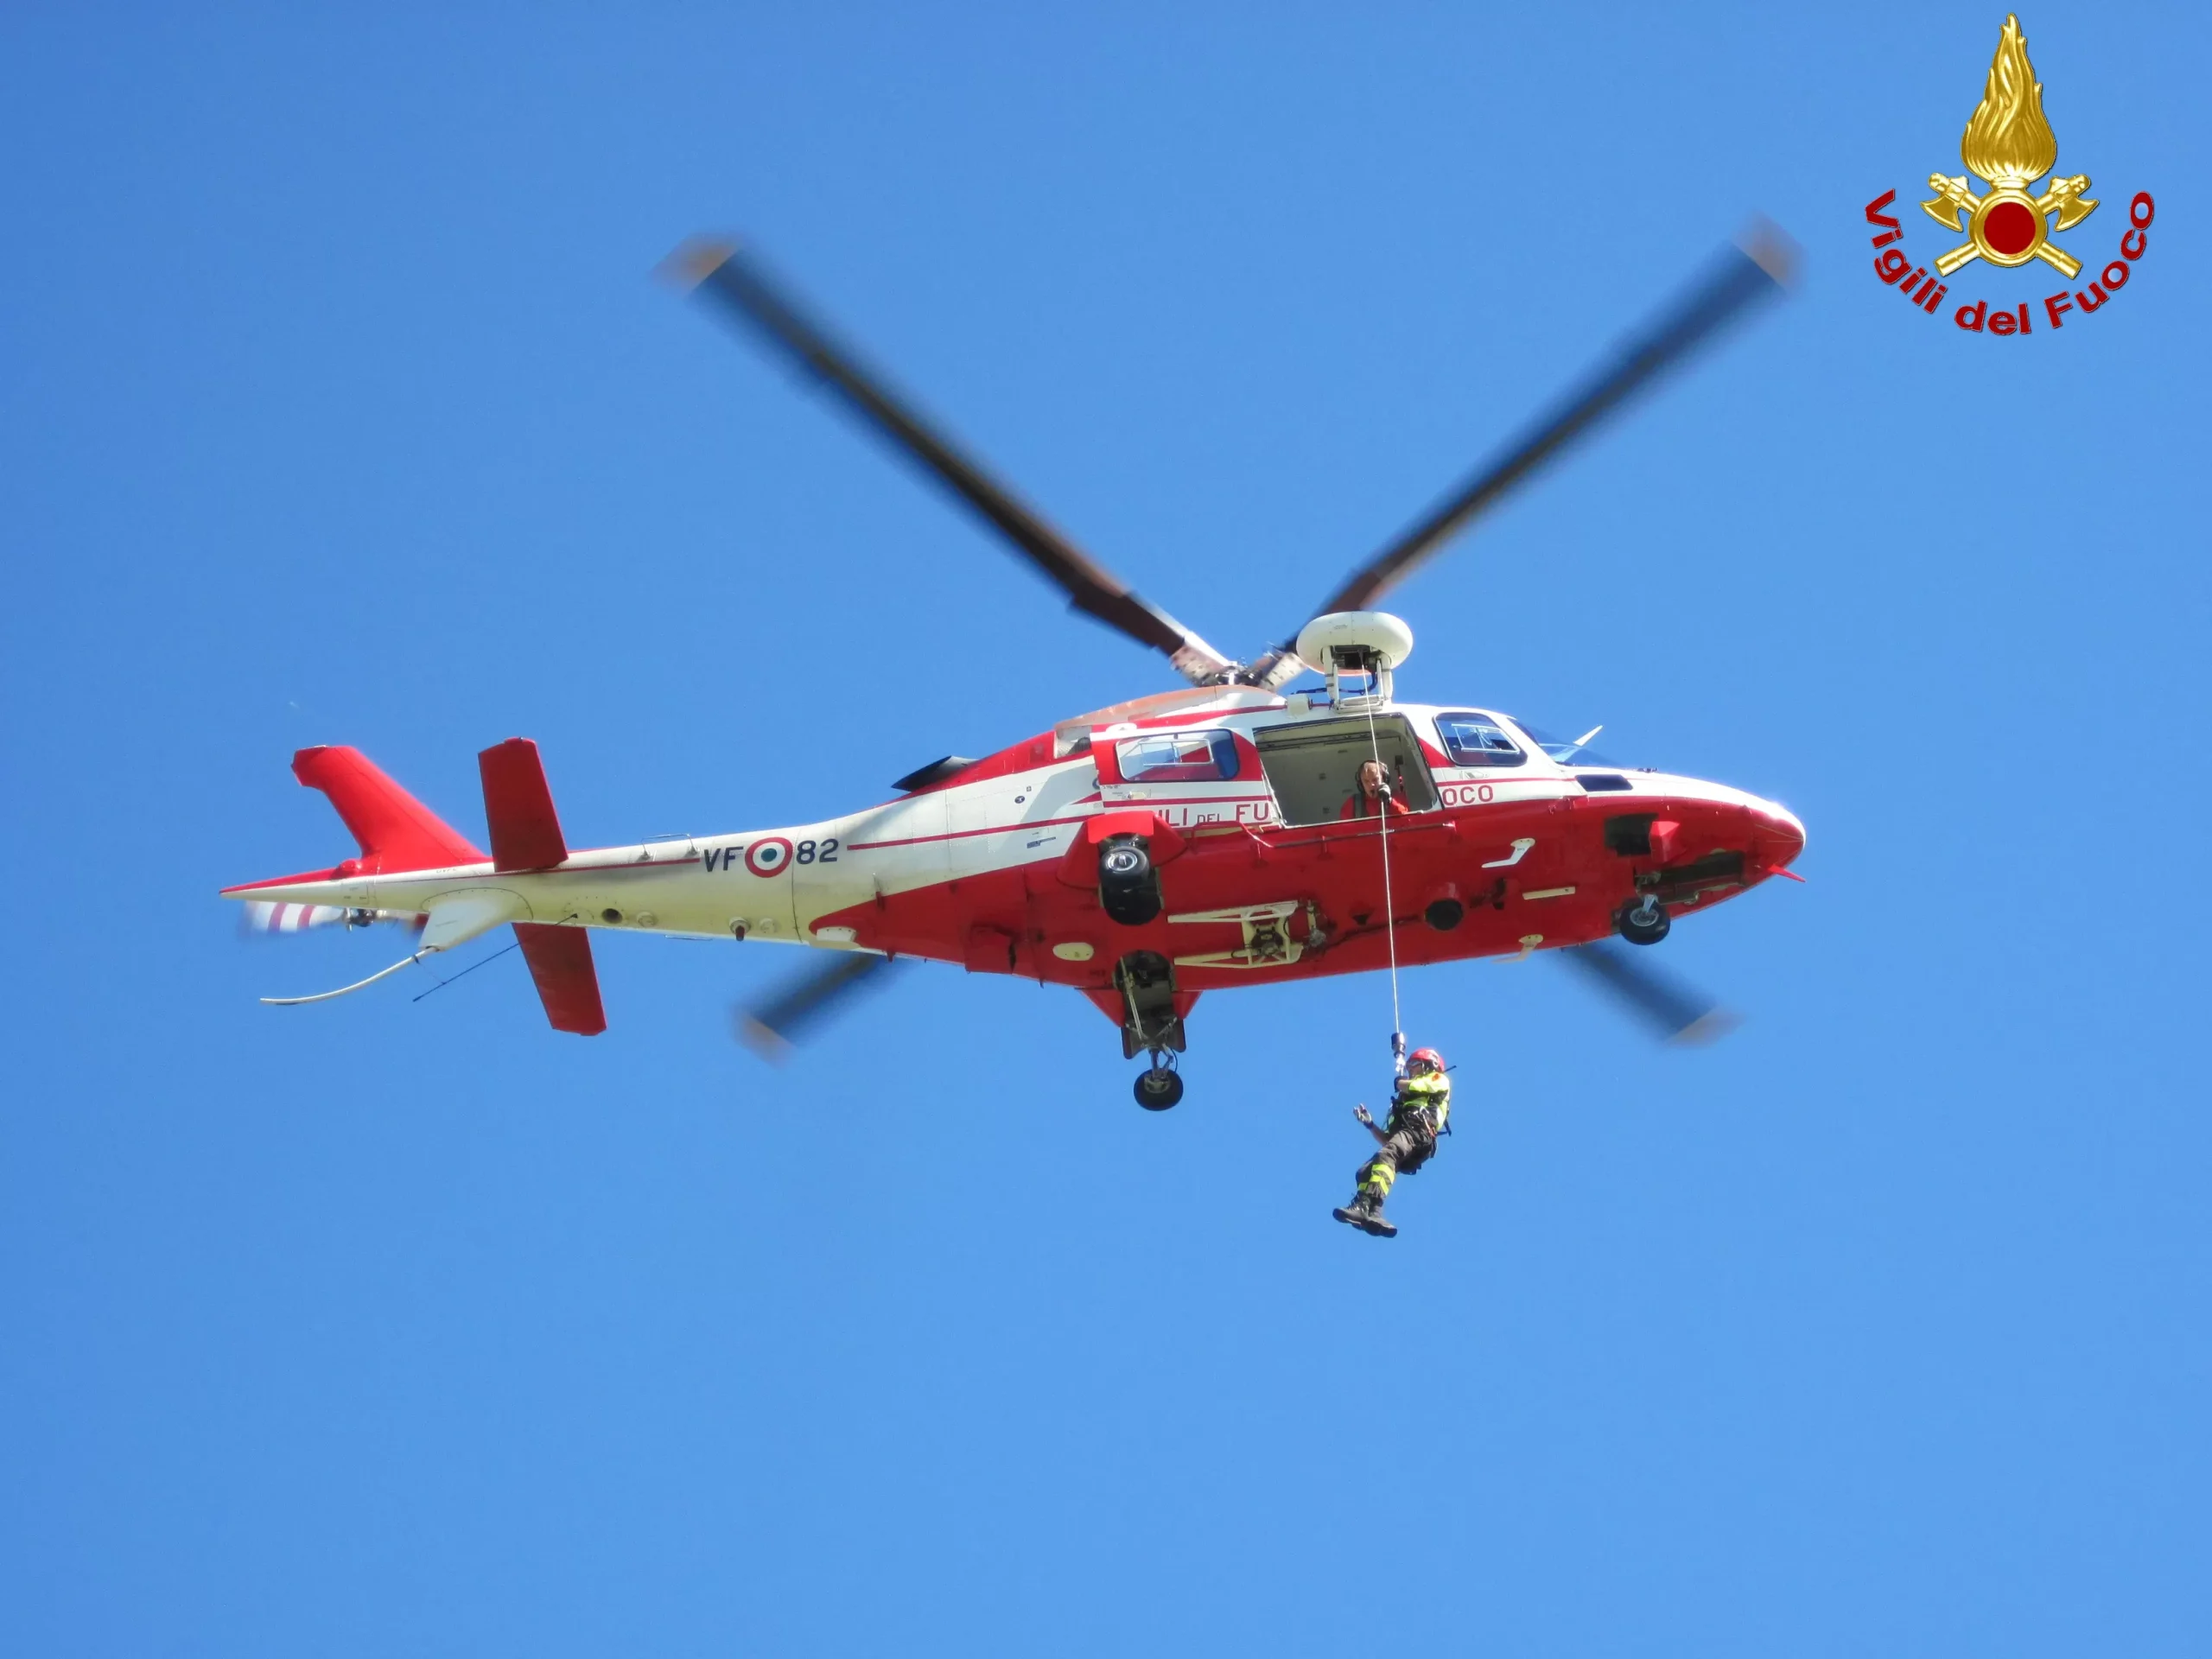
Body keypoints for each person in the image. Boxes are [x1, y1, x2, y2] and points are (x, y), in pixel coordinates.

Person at [1332, 1047, 1451, 1238]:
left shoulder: (1438, 1079)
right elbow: (1388, 1141)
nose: (1409, 1069)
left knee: (1386, 1155)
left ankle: (1366, 1205)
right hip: (1408, 1136)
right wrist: (1370, 1125)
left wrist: (1399, 1082)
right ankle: (1372, 1214)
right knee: (1365, 1172)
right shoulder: (1404, 1102)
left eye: (1414, 1065)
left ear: (1430, 1065)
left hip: (1419, 1132)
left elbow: (1418, 1087)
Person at [1340, 759, 1410, 820]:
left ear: (1384, 779)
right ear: (1361, 783)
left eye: (1375, 780)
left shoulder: (1396, 797)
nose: (1371, 785)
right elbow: (1343, 829)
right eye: (1366, 781)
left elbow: (1407, 820)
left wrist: (1390, 801)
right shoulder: (1353, 803)